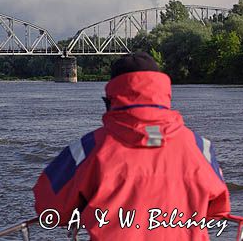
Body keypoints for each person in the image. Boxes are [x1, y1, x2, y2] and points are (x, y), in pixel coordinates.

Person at [33, 52, 231, 240]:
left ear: (110, 99)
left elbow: (49, 209)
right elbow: (219, 209)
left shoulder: (89, 149)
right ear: (164, 95)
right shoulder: (200, 147)